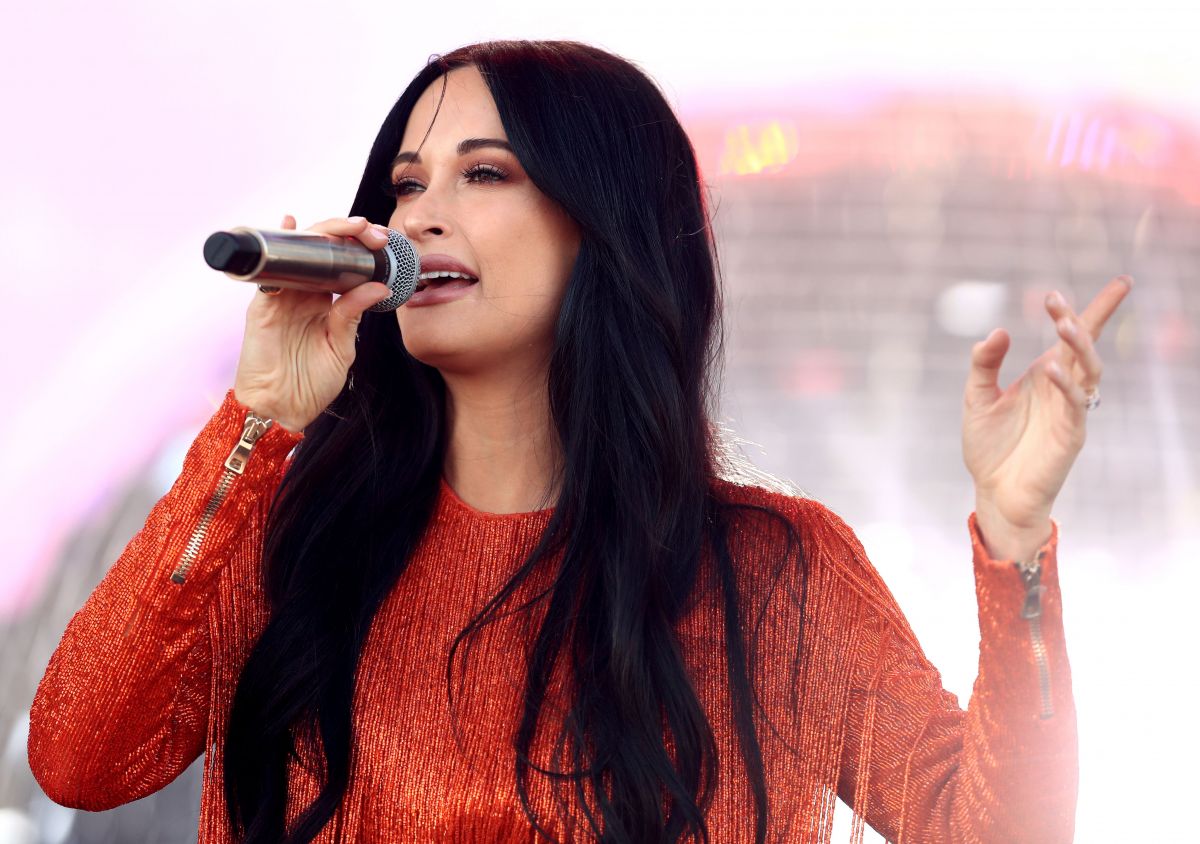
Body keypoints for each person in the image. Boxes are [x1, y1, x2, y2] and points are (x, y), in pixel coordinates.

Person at [27, 40, 1130, 843]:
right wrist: (256, 419)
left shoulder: (778, 573)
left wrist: (1015, 535)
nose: (417, 218)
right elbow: (80, 758)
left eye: (485, 172)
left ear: (604, 226)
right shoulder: (293, 543)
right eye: (406, 184)